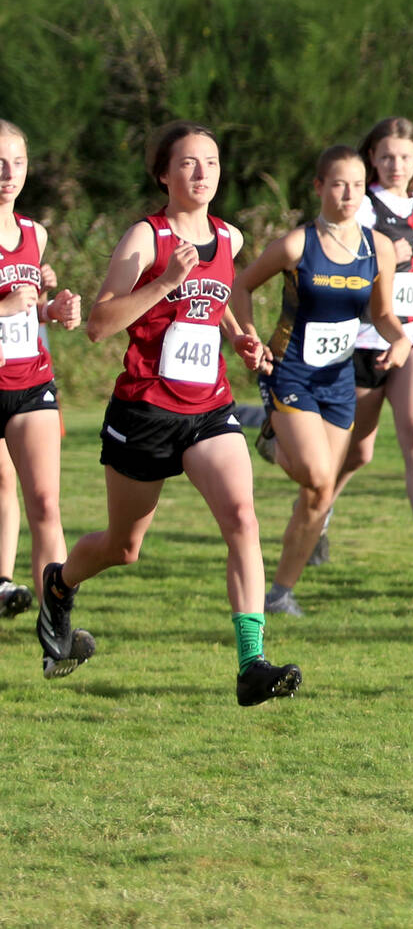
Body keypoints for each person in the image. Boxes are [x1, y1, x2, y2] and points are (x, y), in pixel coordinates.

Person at [54, 121, 300, 702]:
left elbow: (215, 304)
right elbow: (98, 324)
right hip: (144, 412)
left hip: (208, 408)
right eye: (188, 163)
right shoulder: (146, 238)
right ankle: (59, 584)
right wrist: (165, 281)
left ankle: (251, 664)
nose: (202, 173)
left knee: (242, 516)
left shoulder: (230, 238)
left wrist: (241, 336)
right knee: (123, 547)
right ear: (163, 173)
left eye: (211, 163)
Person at [231, 146, 413, 617]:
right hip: (289, 372)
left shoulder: (379, 248)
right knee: (316, 474)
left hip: (338, 381)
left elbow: (383, 314)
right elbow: (242, 286)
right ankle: (273, 437)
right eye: (337, 183)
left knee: (320, 493)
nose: (348, 193)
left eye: (356, 184)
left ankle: (280, 592)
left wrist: (401, 341)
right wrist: (250, 339)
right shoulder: (298, 244)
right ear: (318, 187)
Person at [331, 117, 413, 573]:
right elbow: (343, 265)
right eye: (386, 156)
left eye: (405, 156)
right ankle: (315, 517)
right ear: (372, 158)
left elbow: (412, 266)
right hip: (367, 338)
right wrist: (385, 258)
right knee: (357, 449)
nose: (396, 165)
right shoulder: (363, 207)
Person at [0, 122, 84, 624]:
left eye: (18, 163)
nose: (8, 174)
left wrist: (56, 311)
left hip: (30, 383)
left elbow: (30, 308)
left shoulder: (35, 233)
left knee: (47, 504)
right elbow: (11, 305)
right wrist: (6, 307)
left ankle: (57, 633)